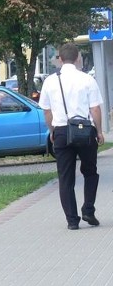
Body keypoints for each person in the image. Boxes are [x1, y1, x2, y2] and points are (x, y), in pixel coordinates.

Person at [38, 43, 104, 230]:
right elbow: (95, 108)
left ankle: (72, 221)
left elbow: (47, 112)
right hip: (85, 130)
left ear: (59, 58)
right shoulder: (87, 79)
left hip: (61, 131)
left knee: (65, 177)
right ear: (77, 58)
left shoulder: (50, 81)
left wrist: (52, 132)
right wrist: (99, 131)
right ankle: (88, 210)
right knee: (90, 172)